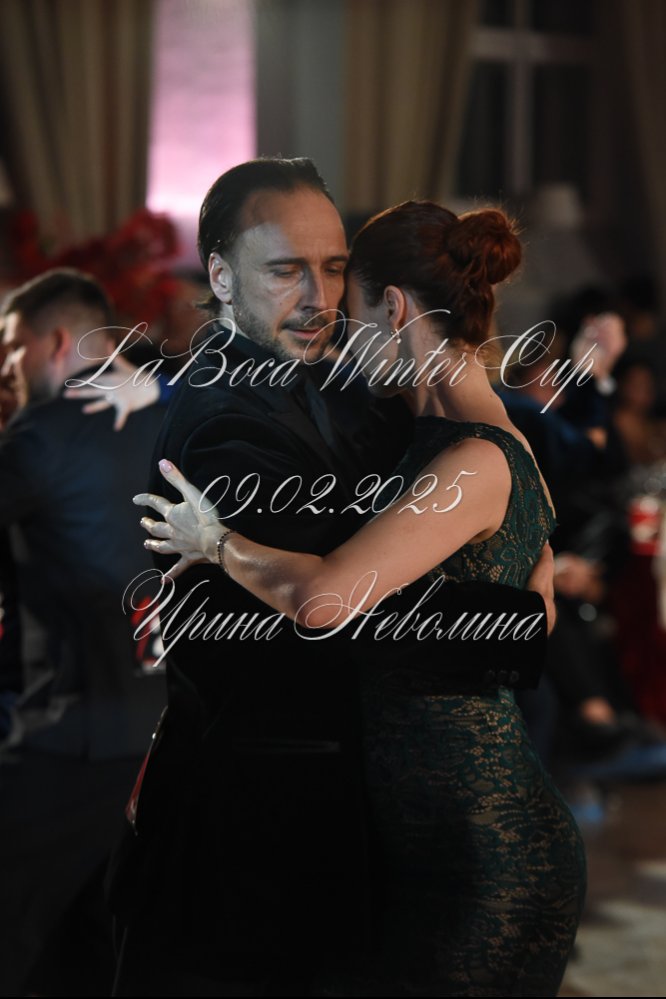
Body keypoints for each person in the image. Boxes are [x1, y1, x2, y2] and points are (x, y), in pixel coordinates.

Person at [108, 158, 557, 997]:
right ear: (220, 276)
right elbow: (337, 618)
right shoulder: (223, 423)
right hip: (257, 838)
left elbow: (460, 456)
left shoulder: (346, 382)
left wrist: (513, 504)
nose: (319, 297)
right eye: (287, 270)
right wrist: (517, 622)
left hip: (357, 831)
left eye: (335, 267)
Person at [0, 269, 167, 995]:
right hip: (163, 731)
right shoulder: (171, 415)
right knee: (102, 950)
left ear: (57, 341)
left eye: (13, 347)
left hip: (67, 736)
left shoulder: (43, 434)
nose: (7, 367)